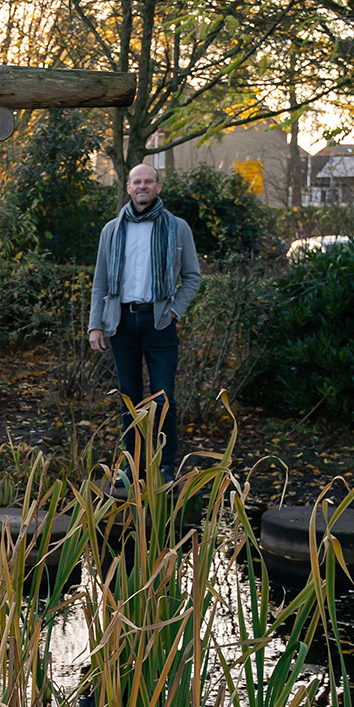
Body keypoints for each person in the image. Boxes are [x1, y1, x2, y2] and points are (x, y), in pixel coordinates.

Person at [87, 162, 202, 482]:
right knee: (130, 397)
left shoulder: (177, 227)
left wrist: (176, 310)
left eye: (149, 181)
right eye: (137, 182)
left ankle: (165, 466)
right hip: (122, 323)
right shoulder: (112, 229)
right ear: (127, 187)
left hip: (160, 322)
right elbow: (100, 281)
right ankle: (134, 464)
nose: (142, 186)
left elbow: (192, 277)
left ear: (158, 187)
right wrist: (95, 324)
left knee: (164, 397)